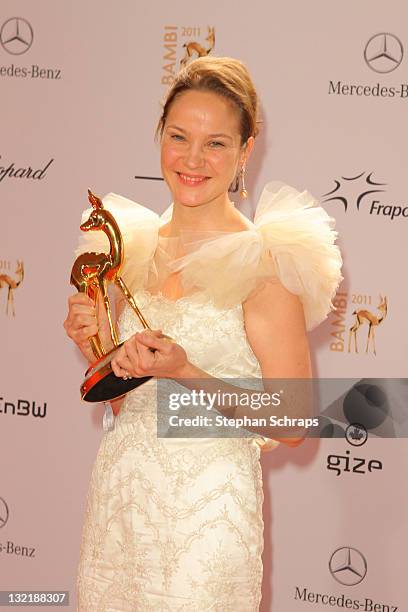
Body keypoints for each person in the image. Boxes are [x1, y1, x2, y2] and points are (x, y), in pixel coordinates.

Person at [64, 57, 342, 611]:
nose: (192, 159)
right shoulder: (130, 248)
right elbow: (127, 400)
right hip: (120, 502)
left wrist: (186, 372)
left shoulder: (265, 262)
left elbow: (292, 423)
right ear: (159, 137)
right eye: (179, 137)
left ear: (245, 152)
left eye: (215, 143)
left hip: (206, 518)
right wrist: (96, 347)